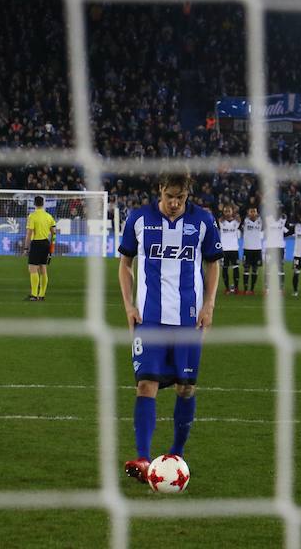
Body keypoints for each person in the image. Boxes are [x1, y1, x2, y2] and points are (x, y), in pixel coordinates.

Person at [117, 170, 222, 483]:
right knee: (145, 384)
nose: (174, 203)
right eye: (169, 196)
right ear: (159, 190)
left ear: (187, 194)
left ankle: (176, 453)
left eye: (180, 197)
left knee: (186, 387)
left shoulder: (202, 221)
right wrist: (128, 305)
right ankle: (143, 458)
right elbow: (125, 265)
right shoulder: (138, 219)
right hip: (149, 319)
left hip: (188, 320)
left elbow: (213, 263)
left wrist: (209, 306)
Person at [24, 195, 56, 301]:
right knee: (43, 269)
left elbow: (29, 233)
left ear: (34, 204)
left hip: (36, 244)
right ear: (43, 204)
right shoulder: (48, 216)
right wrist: (52, 246)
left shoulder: (32, 216)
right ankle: (41, 295)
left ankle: (34, 295)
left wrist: (26, 248)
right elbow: (54, 233)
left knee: (32, 268)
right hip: (46, 244)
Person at [263, 207, 289, 292]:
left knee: (280, 268)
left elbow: (287, 231)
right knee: (269, 268)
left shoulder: (283, 220)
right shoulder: (268, 219)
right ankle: (268, 288)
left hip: (280, 247)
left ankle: (280, 288)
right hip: (270, 247)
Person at [218, 204, 241, 295]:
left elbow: (239, 219)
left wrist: (235, 212)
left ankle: (236, 288)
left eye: (229, 211)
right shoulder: (221, 221)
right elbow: (220, 219)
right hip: (224, 249)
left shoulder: (236, 221)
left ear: (232, 212)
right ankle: (227, 288)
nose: (227, 213)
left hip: (234, 248)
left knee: (236, 268)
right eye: (225, 211)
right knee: (225, 269)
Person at [241, 206, 262, 295]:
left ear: (257, 213)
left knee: (255, 269)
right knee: (246, 269)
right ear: (248, 212)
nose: (253, 213)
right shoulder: (244, 221)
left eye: (254, 211)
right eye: (251, 211)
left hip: (257, 249)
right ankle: (246, 289)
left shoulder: (261, 221)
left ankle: (252, 289)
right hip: (247, 248)